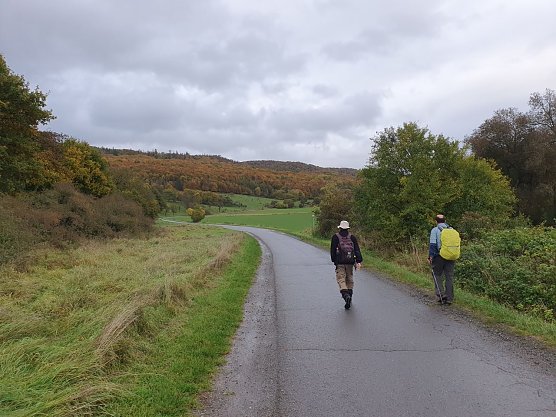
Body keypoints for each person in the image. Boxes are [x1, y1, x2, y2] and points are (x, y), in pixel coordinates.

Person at [330, 220, 363, 309]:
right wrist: (359, 260)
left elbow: (332, 250)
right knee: (349, 278)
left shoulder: (335, 237)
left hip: (340, 262)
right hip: (350, 262)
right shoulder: (352, 237)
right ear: (348, 228)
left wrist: (334, 261)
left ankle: (346, 296)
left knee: (341, 279)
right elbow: (356, 249)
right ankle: (350, 296)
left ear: (340, 227)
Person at [428, 214, 455, 305]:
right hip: (451, 256)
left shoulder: (435, 230)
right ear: (445, 221)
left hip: (439, 256)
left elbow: (433, 245)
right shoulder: (452, 230)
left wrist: (431, 256)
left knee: (437, 274)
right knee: (449, 276)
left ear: (436, 221)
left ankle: (441, 295)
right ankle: (450, 298)